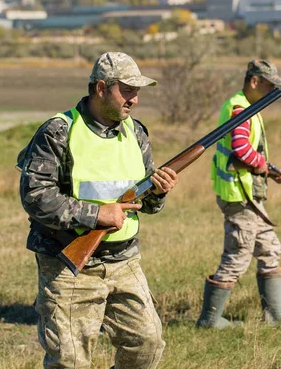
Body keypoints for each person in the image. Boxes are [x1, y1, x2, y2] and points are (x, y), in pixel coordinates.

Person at [18, 52, 178, 369]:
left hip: (124, 260)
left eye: (138, 91)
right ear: (101, 88)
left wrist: (158, 192)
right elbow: (35, 195)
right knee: (70, 361)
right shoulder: (59, 131)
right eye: (127, 89)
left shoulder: (137, 133)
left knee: (146, 345)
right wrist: (95, 215)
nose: (134, 99)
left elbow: (146, 202)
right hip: (69, 261)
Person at [196, 59, 281, 329]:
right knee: (237, 256)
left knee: (270, 249)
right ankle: (210, 320)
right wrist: (268, 169)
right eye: (269, 86)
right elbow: (241, 151)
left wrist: (270, 171)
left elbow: (245, 153)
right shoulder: (240, 109)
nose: (273, 92)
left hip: (247, 195)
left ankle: (275, 315)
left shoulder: (248, 106)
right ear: (254, 82)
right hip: (239, 196)